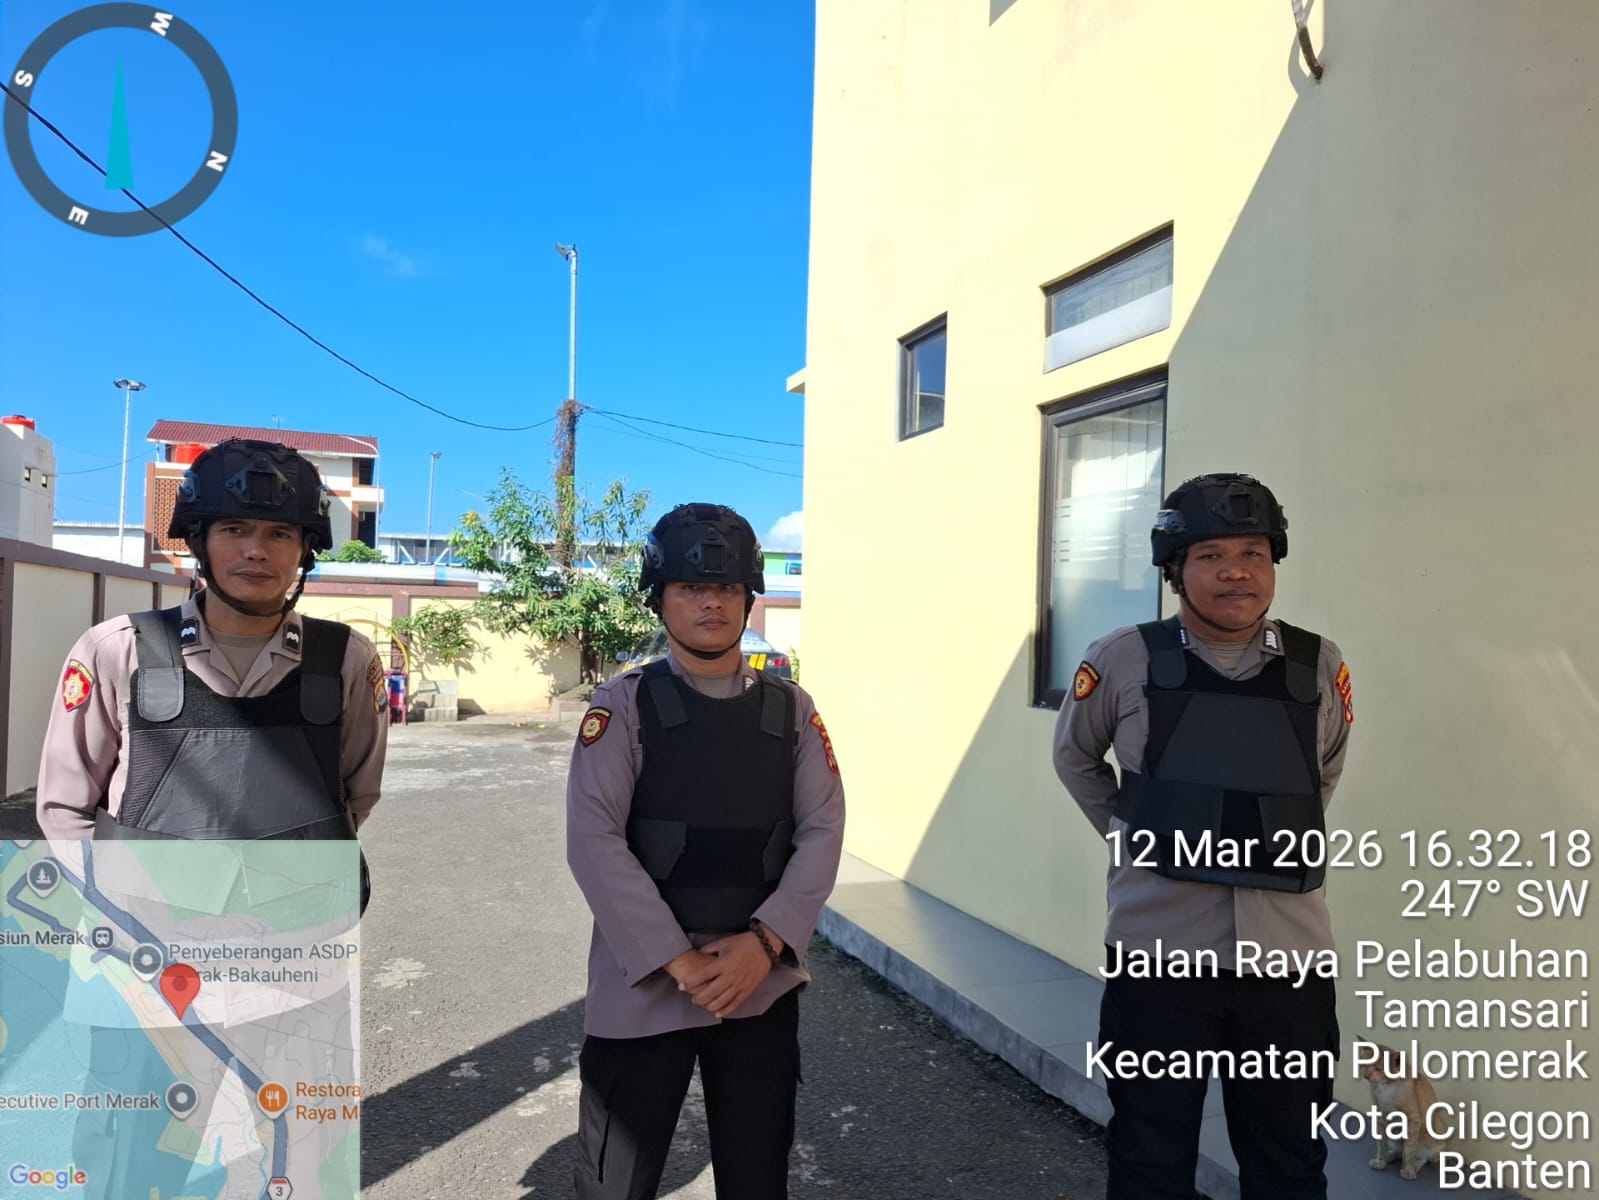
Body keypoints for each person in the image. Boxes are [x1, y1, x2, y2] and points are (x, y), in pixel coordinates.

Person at [1053, 472, 1354, 1200]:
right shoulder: (1122, 656)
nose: (1235, 571)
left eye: (1253, 553)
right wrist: (1139, 837)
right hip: (1159, 957)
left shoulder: (1319, 662)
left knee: (1289, 1159)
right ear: (1175, 569)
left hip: (1287, 963)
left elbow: (1320, 776)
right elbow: (1075, 758)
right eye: (1211, 555)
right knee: (1149, 1157)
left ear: (1273, 564)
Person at [566, 502, 845, 1200]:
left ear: (749, 597)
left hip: (760, 984)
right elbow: (593, 841)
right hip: (644, 986)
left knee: (757, 1179)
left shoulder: (793, 710)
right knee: (613, 1185)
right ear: (658, 598)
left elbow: (822, 829)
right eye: (691, 587)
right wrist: (679, 960)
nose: (711, 602)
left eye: (726, 587)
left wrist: (766, 943)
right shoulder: (622, 705)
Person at [37, 437, 388, 854]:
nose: (256, 551)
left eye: (280, 533)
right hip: (144, 896)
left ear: (304, 551)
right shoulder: (118, 650)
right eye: (233, 529)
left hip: (301, 893)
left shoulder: (345, 658)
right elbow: (65, 810)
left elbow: (355, 799)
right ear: (198, 542)